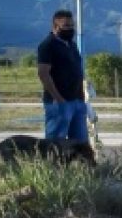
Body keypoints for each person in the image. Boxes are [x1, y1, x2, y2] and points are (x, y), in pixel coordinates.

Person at [37, 10, 87, 142]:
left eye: (72, 26)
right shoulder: (47, 45)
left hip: (77, 100)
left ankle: (80, 163)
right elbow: (43, 73)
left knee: (80, 143)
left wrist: (82, 97)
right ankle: (55, 163)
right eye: (66, 26)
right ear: (55, 27)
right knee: (56, 143)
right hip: (59, 103)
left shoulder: (72, 45)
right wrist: (58, 98)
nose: (70, 29)